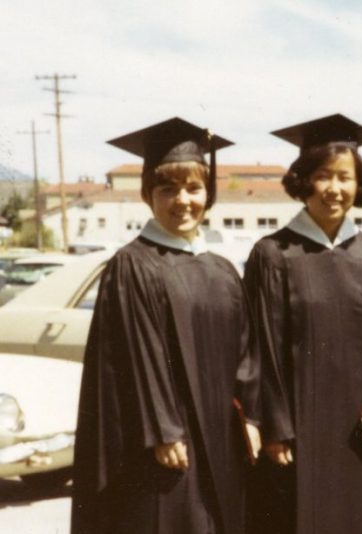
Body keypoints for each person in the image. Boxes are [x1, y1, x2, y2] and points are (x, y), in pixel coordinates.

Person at [71, 118, 262, 534]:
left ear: (208, 194)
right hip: (166, 445)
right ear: (147, 196)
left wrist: (251, 416)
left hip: (220, 439)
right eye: (167, 189)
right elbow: (140, 355)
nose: (183, 201)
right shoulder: (134, 263)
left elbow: (247, 352)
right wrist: (162, 430)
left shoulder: (222, 269)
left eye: (194, 188)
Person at [244, 114, 362, 534]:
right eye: (323, 176)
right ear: (304, 181)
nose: (335, 189)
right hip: (298, 433)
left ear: (359, 185)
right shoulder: (273, 254)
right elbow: (259, 346)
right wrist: (275, 426)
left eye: (345, 177)